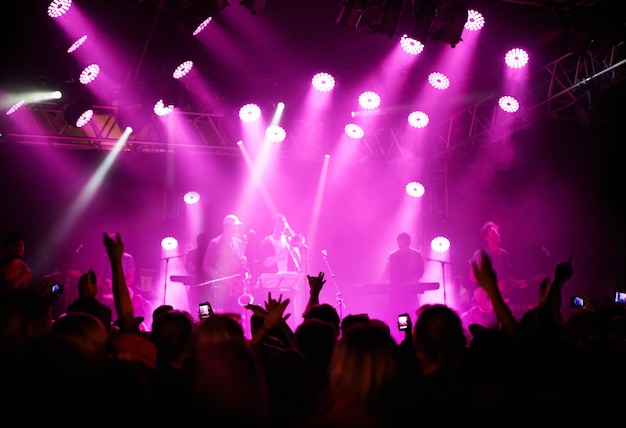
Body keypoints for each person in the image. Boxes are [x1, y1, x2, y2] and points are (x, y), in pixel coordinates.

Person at [468, 221, 527, 319]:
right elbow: (472, 276)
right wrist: (492, 287)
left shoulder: (504, 254)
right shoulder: (481, 254)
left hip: (500, 296)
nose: (497, 233)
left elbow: (506, 277)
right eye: (493, 232)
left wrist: (517, 282)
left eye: (497, 231)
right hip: (487, 296)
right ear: (486, 237)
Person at [200, 214, 248, 317]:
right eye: (235, 226)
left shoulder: (239, 242)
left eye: (237, 226)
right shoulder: (215, 243)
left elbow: (239, 262)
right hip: (221, 287)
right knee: (223, 316)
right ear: (227, 226)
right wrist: (222, 277)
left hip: (236, 286)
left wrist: (243, 261)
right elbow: (206, 265)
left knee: (237, 316)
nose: (237, 228)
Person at [385, 232, 425, 314]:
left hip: (412, 287)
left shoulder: (416, 254)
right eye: (400, 243)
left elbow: (421, 270)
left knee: (412, 310)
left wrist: (412, 280)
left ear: (409, 242)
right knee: (398, 311)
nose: (402, 246)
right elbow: (388, 271)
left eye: (404, 244)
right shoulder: (393, 255)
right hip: (397, 288)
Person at [97, 244, 137, 312]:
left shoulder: (127, 258)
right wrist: (106, 287)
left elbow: (131, 278)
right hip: (107, 291)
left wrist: (118, 286)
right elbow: (99, 280)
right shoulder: (105, 257)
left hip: (120, 291)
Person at [0, 232, 32, 296]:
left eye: (20, 244)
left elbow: (19, 298)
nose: (18, 247)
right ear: (7, 247)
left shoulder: (25, 272)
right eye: (14, 245)